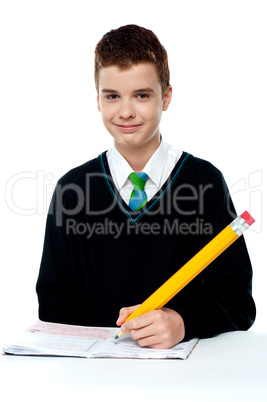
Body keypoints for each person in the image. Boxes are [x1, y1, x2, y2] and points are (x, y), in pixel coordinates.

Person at [36, 24, 256, 349]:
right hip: (92, 383)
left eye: (142, 95)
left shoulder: (204, 182)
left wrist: (182, 322)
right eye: (112, 96)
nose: (126, 112)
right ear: (97, 100)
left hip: (187, 383)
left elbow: (238, 302)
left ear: (166, 97)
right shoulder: (72, 190)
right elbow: (53, 306)